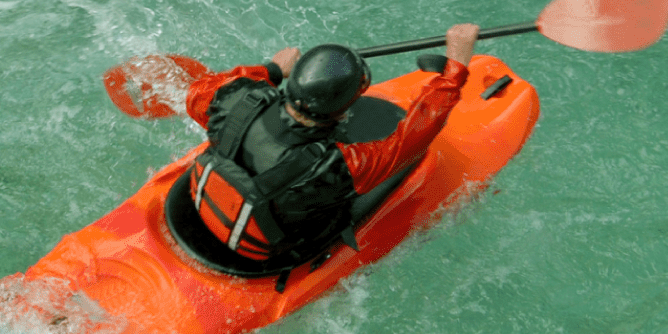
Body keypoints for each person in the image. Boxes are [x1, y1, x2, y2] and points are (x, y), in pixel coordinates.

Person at [182, 23, 479, 263]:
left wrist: (271, 70)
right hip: (266, 248)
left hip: (206, 204)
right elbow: (409, 143)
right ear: (343, 110)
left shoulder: (235, 99)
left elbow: (197, 91)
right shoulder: (336, 167)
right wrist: (454, 71)